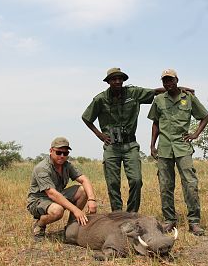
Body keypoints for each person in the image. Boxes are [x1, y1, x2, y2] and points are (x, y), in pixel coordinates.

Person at [82, 67, 193, 213]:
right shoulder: (100, 99)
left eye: (120, 78)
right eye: (114, 79)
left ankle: (132, 214)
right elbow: (86, 117)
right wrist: (100, 135)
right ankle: (117, 214)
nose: (117, 81)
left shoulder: (133, 93)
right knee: (113, 183)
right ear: (108, 81)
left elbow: (155, 92)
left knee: (136, 180)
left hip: (130, 145)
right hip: (112, 146)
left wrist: (181, 89)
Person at [147, 69, 208, 236]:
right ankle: (169, 220)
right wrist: (152, 145)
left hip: (183, 147)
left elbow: (204, 116)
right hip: (165, 148)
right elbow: (155, 123)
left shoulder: (188, 98)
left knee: (190, 183)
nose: (168, 84)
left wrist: (195, 134)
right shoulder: (159, 100)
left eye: (170, 80)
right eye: (165, 81)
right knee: (165, 185)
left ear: (176, 80)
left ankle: (194, 222)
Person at [27, 137, 97, 240]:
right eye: (59, 152)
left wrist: (92, 199)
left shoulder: (66, 165)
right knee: (57, 211)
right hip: (39, 201)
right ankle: (39, 225)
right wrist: (76, 210)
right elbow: (52, 194)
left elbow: (84, 179)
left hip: (57, 196)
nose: (62, 156)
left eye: (65, 153)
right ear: (51, 151)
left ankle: (71, 227)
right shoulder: (42, 168)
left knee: (83, 190)